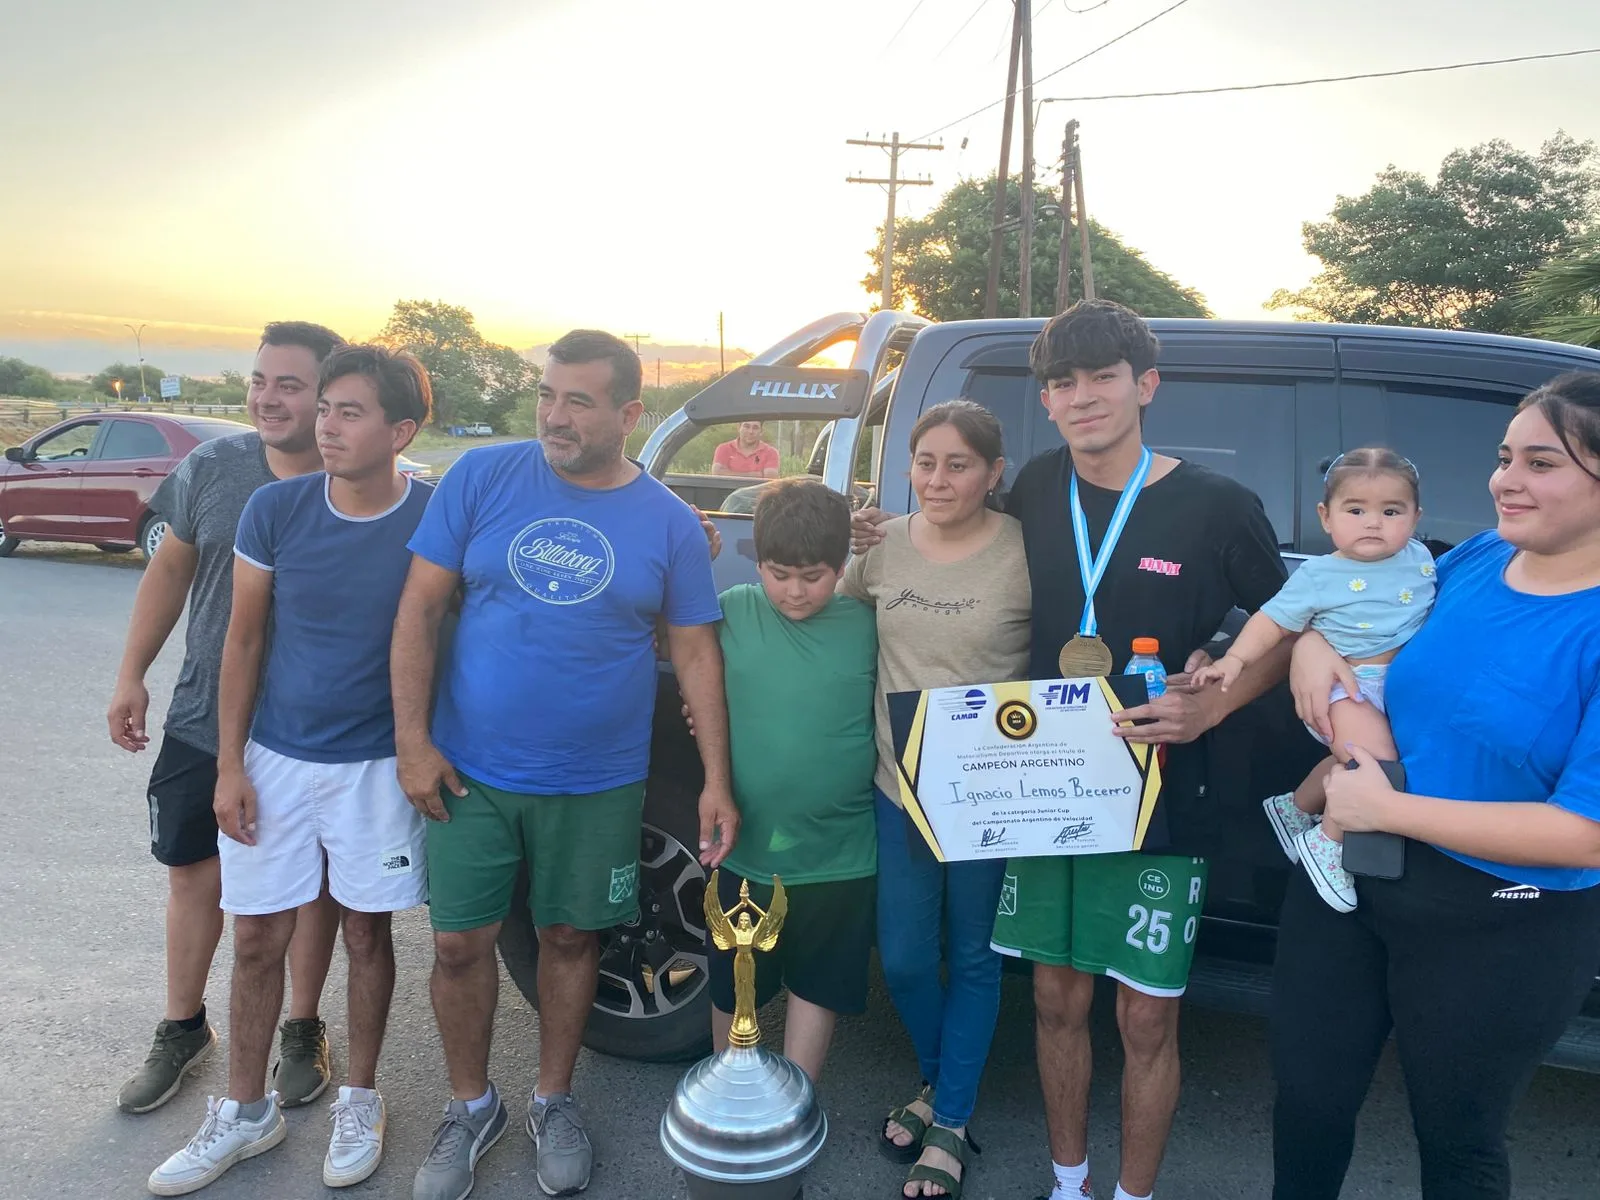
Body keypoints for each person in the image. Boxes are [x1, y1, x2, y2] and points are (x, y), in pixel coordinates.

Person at [854, 301, 1290, 1200]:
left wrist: (1216, 696)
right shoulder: (1036, 489)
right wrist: (868, 528)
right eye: (1062, 383)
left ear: (1146, 386)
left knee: (1144, 1021)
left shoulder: (1218, 504)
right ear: (1045, 403)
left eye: (1101, 377)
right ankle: (1066, 1182)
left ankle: (1131, 1195)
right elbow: (953, 533)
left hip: (1157, 795)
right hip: (1039, 789)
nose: (1082, 397)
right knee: (1055, 1002)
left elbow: (1288, 627)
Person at [393, 329, 740, 1200]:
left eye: (579, 401)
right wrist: (412, 743)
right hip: (471, 769)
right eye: (549, 394)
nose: (556, 415)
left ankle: (554, 1099)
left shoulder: (665, 521)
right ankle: (471, 1107)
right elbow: (419, 609)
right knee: (462, 945)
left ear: (630, 413)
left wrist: (717, 781)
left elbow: (698, 657)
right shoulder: (481, 477)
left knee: (571, 936)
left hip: (600, 778)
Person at [1272, 371, 1600, 1200]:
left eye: (1542, 463)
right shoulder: (1486, 556)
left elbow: (1586, 831)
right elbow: (1374, 626)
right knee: (1308, 1106)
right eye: (1503, 457)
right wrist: (1312, 645)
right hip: (1356, 878)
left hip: (1497, 925)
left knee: (1457, 1142)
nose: (1504, 480)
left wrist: (1388, 808)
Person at [147, 346, 434, 1196]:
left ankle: (358, 1097)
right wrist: (230, 765)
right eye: (327, 408)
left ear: (401, 431)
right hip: (274, 757)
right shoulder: (275, 508)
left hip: (376, 769)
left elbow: (555, 476)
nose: (326, 425)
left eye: (349, 411)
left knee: (365, 932)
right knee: (259, 936)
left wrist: (691, 519)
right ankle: (243, 1111)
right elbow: (242, 640)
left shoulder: (434, 514)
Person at [107, 322, 345, 1117]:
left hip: (308, 734)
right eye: (258, 381)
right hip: (204, 716)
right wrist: (131, 673)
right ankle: (183, 1027)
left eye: (290, 384)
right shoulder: (212, 466)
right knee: (192, 871)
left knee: (310, 888)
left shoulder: (360, 477)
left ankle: (301, 1027)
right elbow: (171, 570)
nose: (268, 398)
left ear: (327, 396)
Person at [842, 400, 1032, 1200]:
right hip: (898, 788)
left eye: (959, 464)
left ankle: (950, 1117)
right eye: (926, 462)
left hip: (989, 795)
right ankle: (936, 1078)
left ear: (994, 474)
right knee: (911, 958)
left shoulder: (1028, 550)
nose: (939, 479)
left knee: (974, 959)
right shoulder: (882, 546)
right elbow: (822, 611)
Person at [1195, 449, 1435, 912]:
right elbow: (1272, 621)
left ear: (1416, 516)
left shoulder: (1421, 558)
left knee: (1357, 760)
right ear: (1326, 518)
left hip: (1397, 689)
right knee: (1373, 764)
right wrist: (1235, 660)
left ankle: (1294, 807)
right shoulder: (1320, 575)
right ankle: (1327, 842)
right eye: (1356, 509)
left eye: (1391, 511)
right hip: (1348, 686)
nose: (1373, 523)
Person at [705, 477, 878, 1081]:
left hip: (842, 850)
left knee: (818, 982)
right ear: (757, 560)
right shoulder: (730, 611)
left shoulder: (868, 623)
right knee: (734, 982)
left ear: (843, 564)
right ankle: (731, 1092)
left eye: (815, 576)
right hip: (746, 848)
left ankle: (797, 1097)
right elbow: (664, 641)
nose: (796, 591)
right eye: (780, 573)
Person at [712, 419, 780, 477]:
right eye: (746, 427)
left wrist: (729, 473)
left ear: (761, 431)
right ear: (739, 428)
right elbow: (716, 472)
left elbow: (771, 476)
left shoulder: (771, 452)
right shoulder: (723, 448)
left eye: (755, 428)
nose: (751, 432)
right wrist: (757, 474)